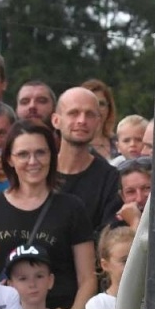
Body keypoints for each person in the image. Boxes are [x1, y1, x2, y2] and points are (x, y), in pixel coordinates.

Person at [0, 120, 97, 309]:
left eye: (40, 152)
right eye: (23, 154)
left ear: (52, 155)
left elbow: (88, 278)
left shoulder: (72, 207)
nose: (33, 161)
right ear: (9, 159)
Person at [52, 87, 123, 233]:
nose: (82, 121)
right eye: (73, 113)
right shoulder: (40, 171)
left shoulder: (110, 179)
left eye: (90, 115)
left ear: (98, 122)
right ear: (56, 120)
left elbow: (108, 237)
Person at [85, 226, 135, 309]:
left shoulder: (152, 302)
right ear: (105, 265)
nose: (132, 266)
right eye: (124, 261)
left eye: (136, 259)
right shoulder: (98, 304)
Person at [5, 243, 60, 309]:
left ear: (50, 280)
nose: (32, 284)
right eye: (23, 279)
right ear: (11, 285)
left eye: (39, 276)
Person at [80, 78, 119, 158]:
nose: (96, 109)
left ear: (109, 108)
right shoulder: (74, 144)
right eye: (91, 103)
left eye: (101, 104)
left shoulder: (121, 142)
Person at [116, 158, 150, 230]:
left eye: (146, 188)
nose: (139, 199)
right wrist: (135, 222)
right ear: (122, 196)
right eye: (130, 192)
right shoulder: (115, 226)